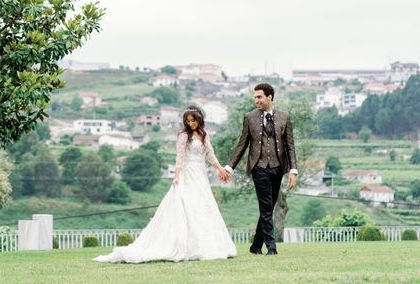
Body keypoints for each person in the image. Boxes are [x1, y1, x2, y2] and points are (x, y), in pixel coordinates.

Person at [93, 105, 237, 263]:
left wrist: (219, 169)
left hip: (200, 174)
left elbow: (210, 154)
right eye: (188, 121)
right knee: (188, 205)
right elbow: (180, 157)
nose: (191, 124)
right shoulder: (183, 136)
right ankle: (187, 246)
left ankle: (208, 245)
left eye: (193, 120)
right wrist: (176, 176)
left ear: (199, 119)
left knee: (204, 206)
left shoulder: (204, 134)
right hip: (187, 173)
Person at [220, 83, 297, 255]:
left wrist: (293, 170)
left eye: (259, 97)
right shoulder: (249, 117)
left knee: (268, 208)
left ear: (270, 97)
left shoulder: (284, 117)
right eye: (255, 97)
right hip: (258, 167)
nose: (256, 100)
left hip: (278, 167)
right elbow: (242, 144)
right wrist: (229, 167)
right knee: (265, 206)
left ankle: (255, 246)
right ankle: (271, 247)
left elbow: (290, 146)